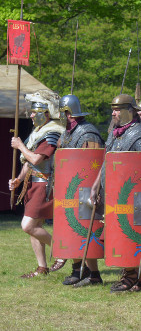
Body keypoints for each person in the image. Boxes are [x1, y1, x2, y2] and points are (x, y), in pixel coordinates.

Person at [90, 94, 141, 293]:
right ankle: (128, 274)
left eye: (117, 109)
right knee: (119, 232)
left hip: (134, 196)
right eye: (113, 109)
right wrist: (96, 185)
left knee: (132, 233)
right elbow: (106, 161)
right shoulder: (114, 133)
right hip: (114, 194)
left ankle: (134, 278)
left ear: (130, 110)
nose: (113, 113)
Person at [9, 98, 65, 278]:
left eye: (35, 112)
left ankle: (61, 250)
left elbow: (35, 159)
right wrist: (18, 180)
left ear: (46, 114)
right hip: (33, 185)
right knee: (36, 227)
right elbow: (28, 162)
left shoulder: (52, 133)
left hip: (45, 185)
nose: (31, 115)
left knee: (28, 225)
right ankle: (42, 268)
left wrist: (20, 146)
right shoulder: (38, 133)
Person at [56, 94, 105, 287]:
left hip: (86, 191)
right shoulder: (67, 132)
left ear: (69, 114)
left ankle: (93, 273)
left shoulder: (88, 133)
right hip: (68, 190)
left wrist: (96, 189)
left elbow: (93, 165)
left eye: (62, 113)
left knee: (84, 231)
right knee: (71, 230)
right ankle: (78, 270)